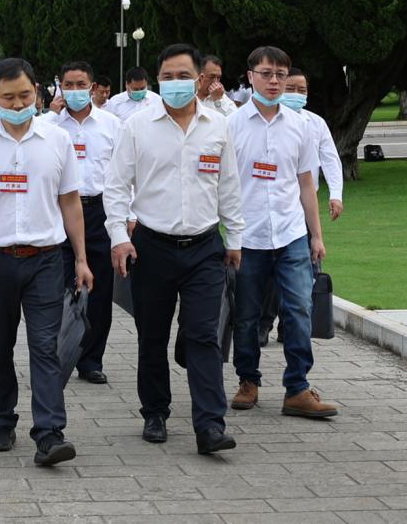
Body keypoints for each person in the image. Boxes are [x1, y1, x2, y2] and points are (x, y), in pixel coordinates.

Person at [0, 58, 94, 467]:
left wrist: (81, 258)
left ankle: (49, 433)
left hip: (46, 260)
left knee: (45, 347)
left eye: (25, 96)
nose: (17, 105)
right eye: (8, 97)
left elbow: (70, 201)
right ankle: (1, 420)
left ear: (39, 93)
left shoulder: (57, 140)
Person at [105, 44, 244, 454]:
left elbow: (229, 186)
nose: (175, 83)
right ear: (157, 81)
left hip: (204, 247)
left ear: (199, 78)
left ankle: (210, 425)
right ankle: (155, 412)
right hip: (152, 246)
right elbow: (116, 187)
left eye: (183, 76)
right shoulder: (137, 127)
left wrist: (235, 239)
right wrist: (119, 237)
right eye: (167, 77)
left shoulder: (218, 127)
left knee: (203, 335)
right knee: (152, 335)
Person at [228, 46, 338, 418]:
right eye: (266, 73)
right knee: (247, 314)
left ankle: (298, 387)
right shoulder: (232, 125)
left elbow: (307, 183)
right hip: (248, 235)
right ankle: (248, 379)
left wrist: (316, 235)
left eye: (280, 75)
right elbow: (221, 183)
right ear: (250, 77)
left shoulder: (301, 126)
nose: (274, 81)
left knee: (299, 309)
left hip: (291, 234)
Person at [44, 61, 122, 384]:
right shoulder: (48, 125)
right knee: (59, 288)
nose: (75, 90)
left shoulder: (111, 124)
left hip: (100, 211)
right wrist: (51, 115)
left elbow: (123, 172)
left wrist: (127, 217)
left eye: (81, 84)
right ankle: (56, 355)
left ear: (93, 87)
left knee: (99, 290)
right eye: (69, 85)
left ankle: (91, 359)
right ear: (59, 87)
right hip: (59, 211)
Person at [258, 66, 345, 345]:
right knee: (271, 274)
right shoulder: (263, 123)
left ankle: (292, 326)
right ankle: (263, 323)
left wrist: (336, 194)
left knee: (305, 271)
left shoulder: (314, 123)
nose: (296, 94)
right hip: (272, 209)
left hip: (303, 210)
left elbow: (329, 158)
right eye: (291, 88)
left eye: (302, 90)